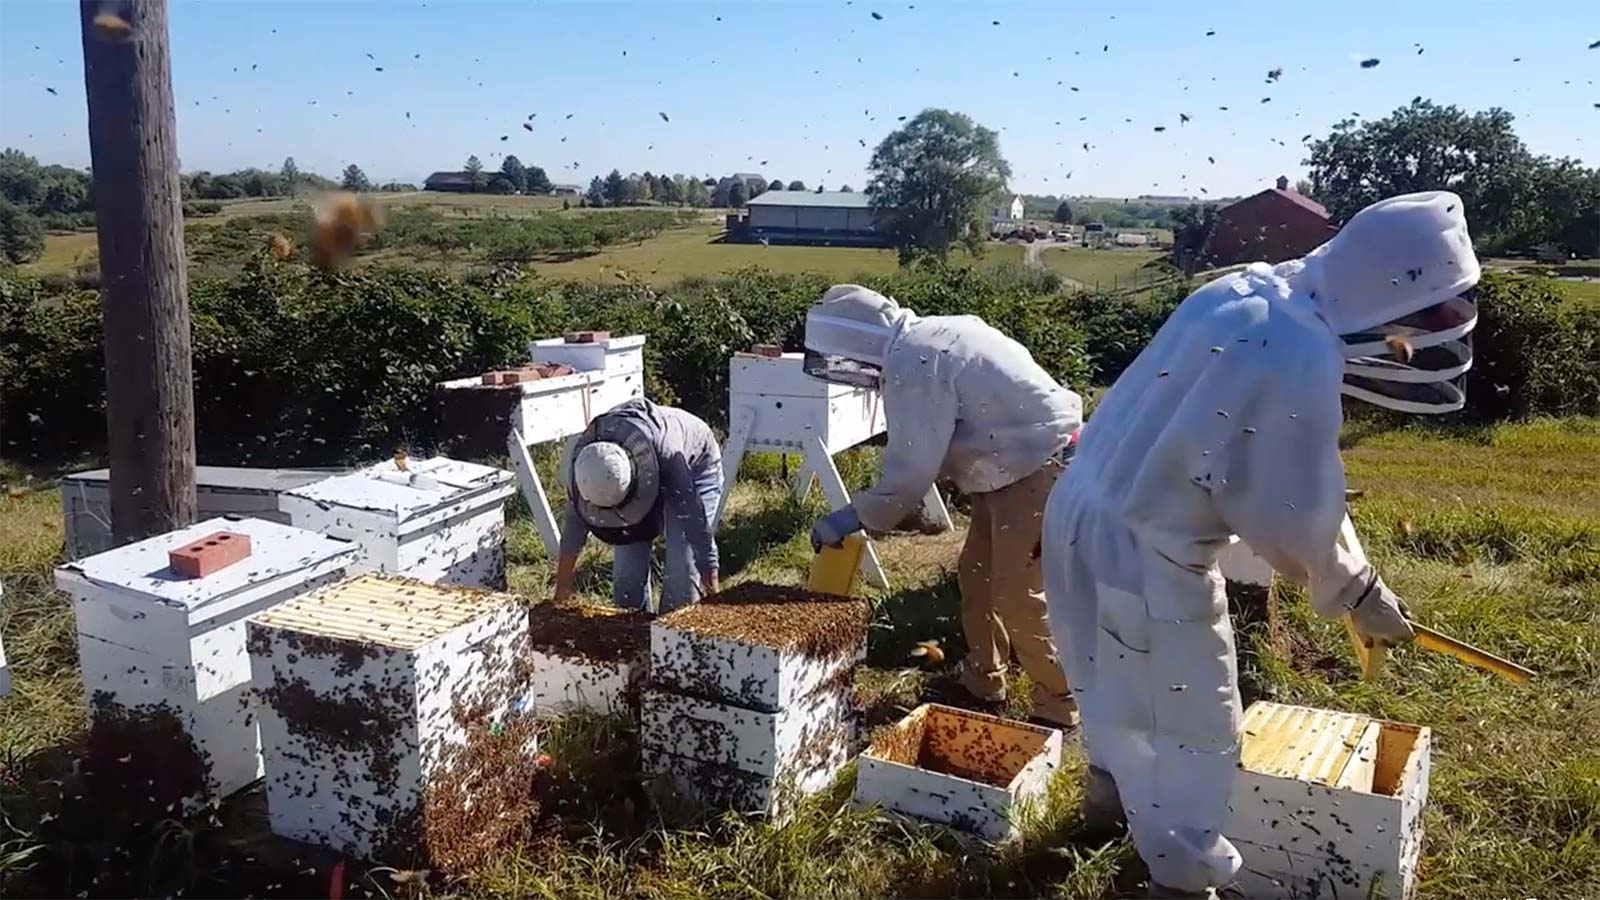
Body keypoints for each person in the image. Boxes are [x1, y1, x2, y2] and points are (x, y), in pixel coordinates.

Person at [1041, 192, 1478, 897]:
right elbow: (1290, 507)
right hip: (1149, 555)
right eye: (1426, 314)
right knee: (1193, 724)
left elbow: (1277, 471)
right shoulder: (1298, 351)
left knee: (1103, 674)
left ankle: (1106, 795)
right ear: (1392, 294)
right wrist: (1357, 591)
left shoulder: (1248, 285)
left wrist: (1355, 577)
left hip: (1080, 505)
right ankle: (1184, 882)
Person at [803, 284, 1083, 727]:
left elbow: (913, 469)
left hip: (1034, 464)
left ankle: (1059, 701)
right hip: (1012, 463)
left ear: (854, 342)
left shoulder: (915, 358)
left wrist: (850, 517)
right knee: (977, 574)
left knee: (1015, 591)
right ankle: (984, 679)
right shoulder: (930, 333)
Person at [552, 397, 722, 614]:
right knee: (626, 586)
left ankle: (673, 641)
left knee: (681, 579)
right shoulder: (586, 466)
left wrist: (713, 594)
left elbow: (697, 531)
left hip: (696, 466)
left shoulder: (668, 454)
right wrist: (562, 588)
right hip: (647, 459)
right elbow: (573, 531)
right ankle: (639, 640)